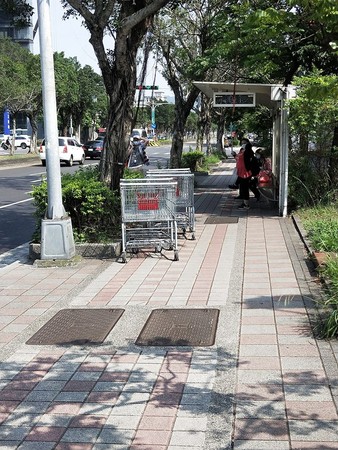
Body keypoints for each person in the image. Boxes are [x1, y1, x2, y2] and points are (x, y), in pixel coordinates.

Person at [236, 138, 259, 209]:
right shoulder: (246, 153)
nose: (243, 145)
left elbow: (243, 160)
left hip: (245, 174)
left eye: (244, 144)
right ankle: (245, 203)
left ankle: (246, 204)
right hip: (243, 173)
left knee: (245, 188)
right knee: (244, 188)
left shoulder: (247, 153)